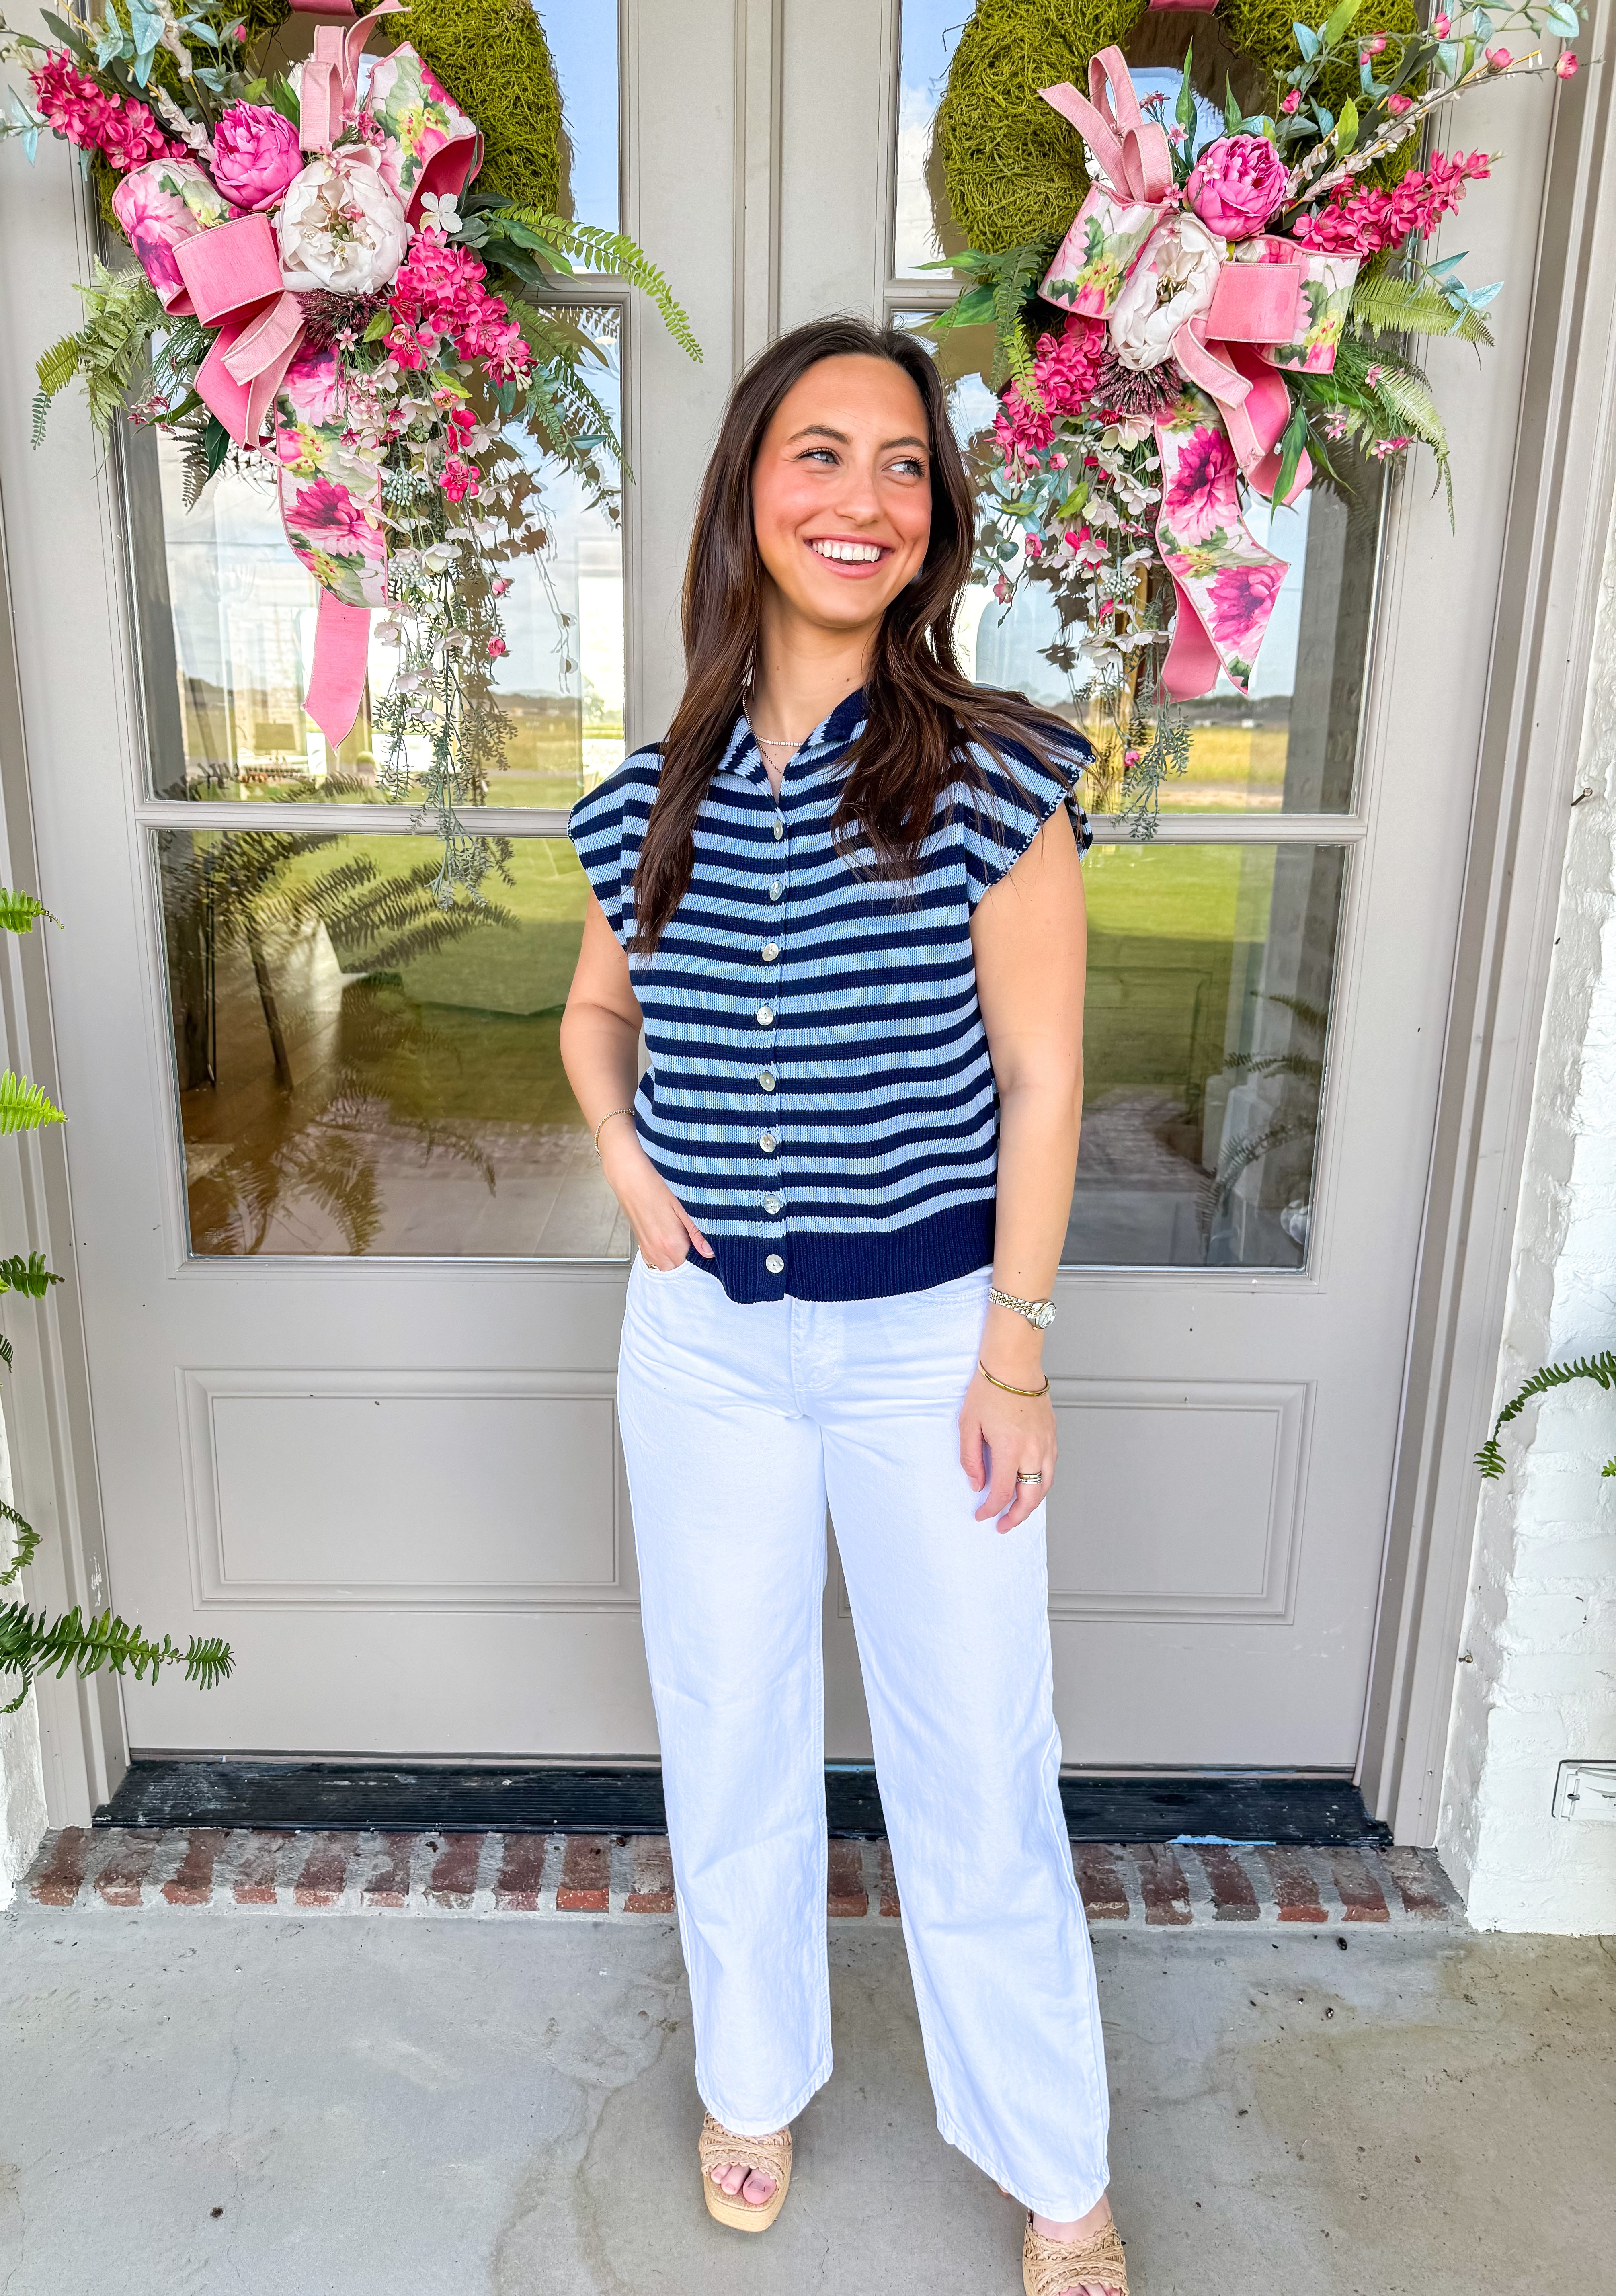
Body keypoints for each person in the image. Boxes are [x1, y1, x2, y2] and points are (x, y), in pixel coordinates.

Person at [560, 315, 1125, 2296]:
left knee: (976, 1752)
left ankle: (1059, 2170)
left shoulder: (999, 775)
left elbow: (1046, 1078)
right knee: (727, 1728)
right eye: (820, 455)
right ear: (748, 494)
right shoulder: (655, 789)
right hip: (701, 1354)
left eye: (902, 465)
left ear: (936, 519)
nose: (860, 498)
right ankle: (752, 2070)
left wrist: (1016, 1350)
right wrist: (635, 1182)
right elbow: (594, 1011)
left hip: (927, 1349)